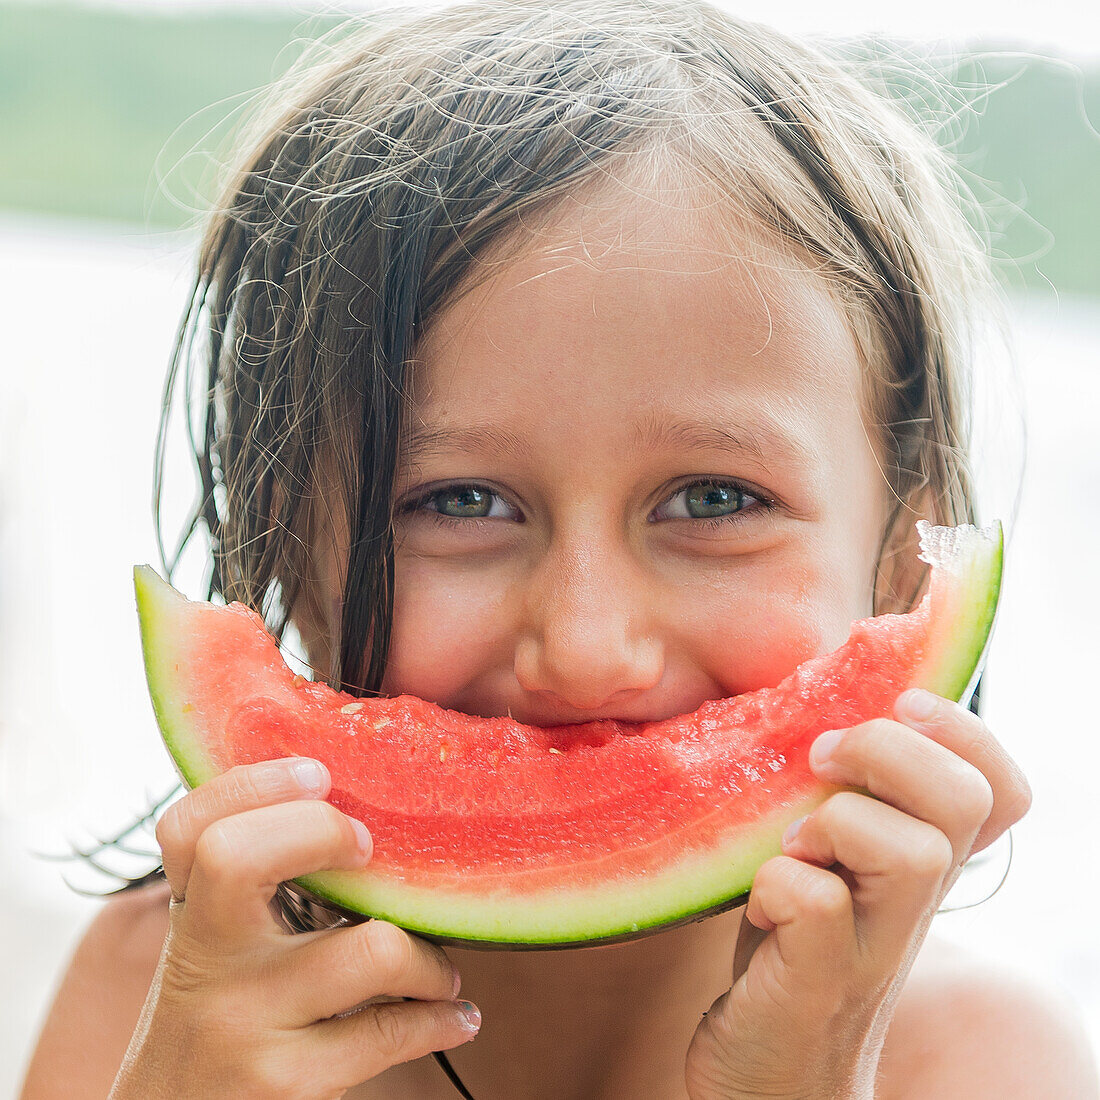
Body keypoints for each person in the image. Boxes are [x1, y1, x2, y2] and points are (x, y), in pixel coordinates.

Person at [19, 1, 1099, 1096]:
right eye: (463, 499)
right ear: (286, 549)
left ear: (906, 558)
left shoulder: (977, 1060)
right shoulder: (160, 998)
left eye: (713, 496)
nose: (586, 649)